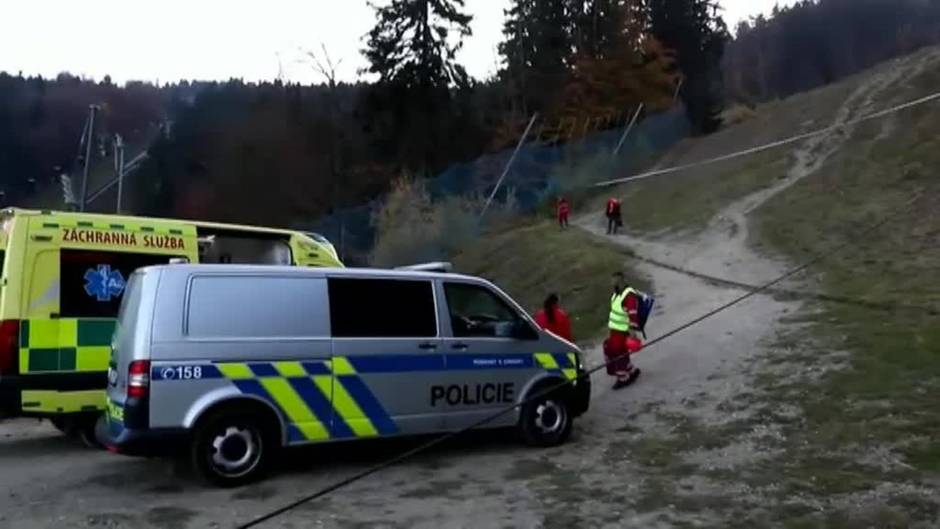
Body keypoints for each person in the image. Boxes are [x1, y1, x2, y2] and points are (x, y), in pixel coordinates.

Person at [604, 271, 642, 389]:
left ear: (621, 280)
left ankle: (623, 378)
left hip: (622, 331)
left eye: (614, 279)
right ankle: (630, 370)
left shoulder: (628, 295)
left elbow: (632, 313)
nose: (612, 282)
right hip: (615, 330)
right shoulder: (616, 294)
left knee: (618, 353)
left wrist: (632, 331)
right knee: (610, 349)